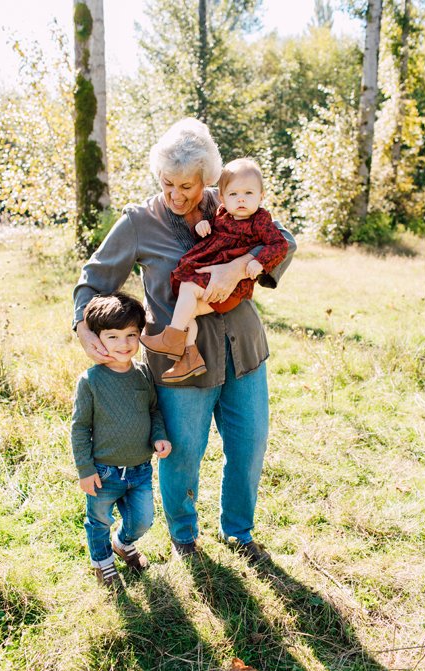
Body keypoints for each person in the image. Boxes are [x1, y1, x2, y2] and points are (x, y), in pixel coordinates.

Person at [73, 118, 296, 563]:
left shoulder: (229, 200)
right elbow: (94, 278)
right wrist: (82, 321)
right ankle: (184, 536)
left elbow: (284, 241)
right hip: (179, 360)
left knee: (248, 447)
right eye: (168, 183)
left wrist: (239, 267)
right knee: (181, 455)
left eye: (188, 187)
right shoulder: (139, 222)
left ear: (207, 181)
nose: (177, 195)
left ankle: (239, 532)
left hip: (243, 350)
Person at [140, 158, 289, 384]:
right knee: (187, 312)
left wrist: (260, 261)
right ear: (221, 197)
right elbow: (216, 235)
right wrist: (205, 227)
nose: (241, 199)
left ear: (261, 196)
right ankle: (189, 358)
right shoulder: (221, 215)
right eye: (233, 194)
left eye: (249, 193)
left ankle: (171, 337)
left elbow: (280, 244)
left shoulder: (259, 220)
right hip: (216, 289)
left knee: (188, 288)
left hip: (232, 291)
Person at [70, 292, 172, 588]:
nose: (124, 344)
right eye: (112, 337)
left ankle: (123, 542)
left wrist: (159, 437)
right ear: (97, 339)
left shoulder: (143, 374)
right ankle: (103, 564)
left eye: (131, 335)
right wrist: (85, 469)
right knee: (99, 521)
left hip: (140, 469)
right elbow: (79, 429)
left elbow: (153, 411)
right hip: (103, 472)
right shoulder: (90, 381)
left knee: (143, 519)